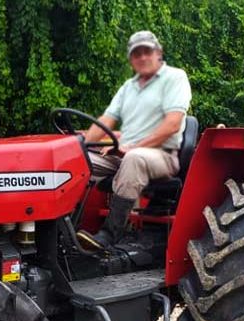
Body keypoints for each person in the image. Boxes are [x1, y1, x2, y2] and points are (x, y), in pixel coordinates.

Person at [76, 30, 192, 250]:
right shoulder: (128, 88)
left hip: (163, 156)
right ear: (131, 59)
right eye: (136, 54)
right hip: (124, 152)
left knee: (135, 158)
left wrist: (132, 147)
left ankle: (110, 235)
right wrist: (78, 147)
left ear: (158, 53)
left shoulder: (175, 78)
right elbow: (106, 120)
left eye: (147, 51)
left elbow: (173, 124)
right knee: (77, 161)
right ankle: (62, 232)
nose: (142, 57)